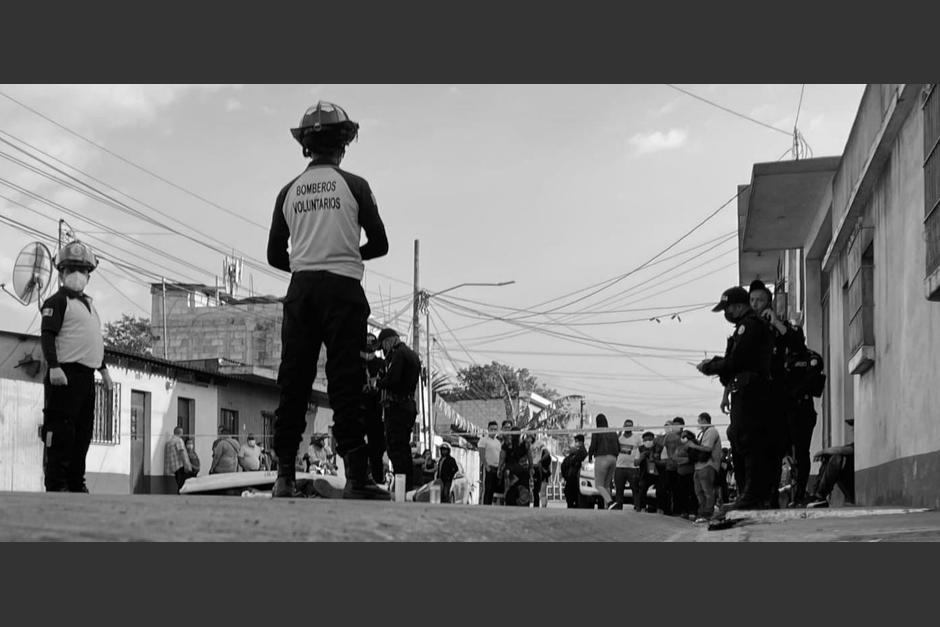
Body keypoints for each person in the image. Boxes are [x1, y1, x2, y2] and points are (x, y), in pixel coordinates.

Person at [266, 100, 390, 500]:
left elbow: (273, 256)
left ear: (306, 146)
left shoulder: (287, 192)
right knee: (346, 385)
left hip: (301, 292)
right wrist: (347, 255)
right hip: (343, 292)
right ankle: (356, 476)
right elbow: (381, 244)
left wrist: (307, 263)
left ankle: (283, 476)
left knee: (294, 382)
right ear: (343, 144)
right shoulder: (355, 186)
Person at [39, 240, 114, 493]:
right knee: (61, 432)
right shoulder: (56, 302)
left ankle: (75, 483)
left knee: (82, 433)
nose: (78, 275)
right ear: (61, 273)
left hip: (86, 377)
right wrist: (53, 366)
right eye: (72, 269)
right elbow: (48, 335)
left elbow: (92, 341)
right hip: (64, 375)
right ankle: (57, 484)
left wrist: (103, 370)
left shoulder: (90, 305)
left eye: (83, 271)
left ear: (89, 276)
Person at [697, 285, 774, 511]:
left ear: (739, 306)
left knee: (747, 440)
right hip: (745, 390)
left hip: (752, 393)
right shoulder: (746, 326)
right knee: (740, 438)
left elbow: (736, 362)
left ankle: (752, 496)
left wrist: (711, 366)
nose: (725, 314)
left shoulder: (749, 326)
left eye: (727, 309)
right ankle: (748, 494)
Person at [749, 279, 801, 508]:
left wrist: (777, 323)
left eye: (760, 300)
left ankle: (778, 496)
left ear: (769, 302)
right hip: (756, 398)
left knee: (779, 448)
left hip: (778, 398)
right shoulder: (749, 327)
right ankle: (757, 495)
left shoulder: (781, 326)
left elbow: (798, 344)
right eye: (752, 300)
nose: (755, 304)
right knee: (756, 449)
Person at [375, 327, 422, 493]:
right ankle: (407, 486)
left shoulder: (398, 354)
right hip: (408, 407)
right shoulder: (412, 355)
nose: (384, 351)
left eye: (384, 346)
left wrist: (378, 383)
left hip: (398, 407)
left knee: (395, 447)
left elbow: (393, 379)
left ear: (390, 340)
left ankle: (402, 487)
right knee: (403, 448)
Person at [783, 329, 826, 506]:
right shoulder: (782, 358)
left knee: (802, 453)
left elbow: (811, 382)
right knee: (780, 450)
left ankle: (800, 493)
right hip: (784, 411)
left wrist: (793, 391)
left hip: (802, 410)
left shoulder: (811, 358)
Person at [685, 412, 723, 523]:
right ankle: (702, 512)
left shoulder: (711, 431)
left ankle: (708, 513)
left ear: (704, 420)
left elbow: (707, 448)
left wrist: (693, 445)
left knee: (707, 491)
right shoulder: (702, 433)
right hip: (699, 466)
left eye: (699, 420)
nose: (698, 423)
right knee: (699, 491)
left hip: (708, 465)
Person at [361, 332, 387, 484]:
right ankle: (357, 478)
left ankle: (378, 479)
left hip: (377, 412)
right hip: (359, 410)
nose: (369, 350)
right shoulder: (355, 363)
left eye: (372, 347)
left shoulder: (381, 364)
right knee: (356, 446)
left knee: (377, 449)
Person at [806, 428, 854, 508]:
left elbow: (845, 450)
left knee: (836, 457)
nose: (853, 431)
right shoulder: (852, 445)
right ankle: (817, 494)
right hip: (848, 483)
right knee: (830, 456)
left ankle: (820, 495)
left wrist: (822, 451)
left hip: (852, 484)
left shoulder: (858, 445)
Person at [587, 413, 618, 509]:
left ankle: (609, 502)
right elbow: (618, 446)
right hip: (613, 459)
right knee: (606, 484)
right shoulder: (613, 431)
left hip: (601, 458)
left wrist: (590, 456)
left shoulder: (597, 431)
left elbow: (593, 445)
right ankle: (607, 506)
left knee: (599, 485)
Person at [656, 418, 683, 515]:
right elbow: (661, 448)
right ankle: (666, 509)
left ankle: (675, 510)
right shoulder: (665, 438)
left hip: (677, 466)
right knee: (667, 489)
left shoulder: (680, 438)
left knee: (676, 490)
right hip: (668, 467)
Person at [613, 419, 641, 511]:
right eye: (627, 425)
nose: (628, 427)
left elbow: (641, 449)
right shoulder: (619, 437)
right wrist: (618, 434)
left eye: (630, 425)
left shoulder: (637, 438)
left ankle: (637, 505)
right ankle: (619, 505)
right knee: (619, 488)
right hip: (620, 466)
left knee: (635, 488)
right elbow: (614, 446)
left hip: (632, 468)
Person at [477, 420, 502, 504]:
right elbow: (481, 455)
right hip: (488, 467)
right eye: (492, 429)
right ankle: (485, 505)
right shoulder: (483, 440)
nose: (493, 431)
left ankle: (492, 505)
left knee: (494, 489)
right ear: (488, 429)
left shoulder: (498, 442)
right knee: (487, 489)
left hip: (497, 468)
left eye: (495, 429)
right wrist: (486, 466)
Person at [635, 431, 659, 513]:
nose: (648, 441)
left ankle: (660, 508)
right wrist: (642, 457)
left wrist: (655, 458)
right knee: (642, 489)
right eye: (645, 440)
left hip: (657, 473)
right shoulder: (640, 448)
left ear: (653, 439)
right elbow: (635, 463)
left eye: (650, 439)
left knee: (660, 490)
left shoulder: (659, 447)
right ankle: (642, 507)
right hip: (645, 473)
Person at [675, 429, 697, 519]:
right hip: (681, 473)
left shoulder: (693, 445)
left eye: (685, 436)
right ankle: (685, 511)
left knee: (693, 493)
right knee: (682, 494)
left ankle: (695, 511)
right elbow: (675, 458)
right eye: (682, 436)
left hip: (691, 473)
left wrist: (683, 460)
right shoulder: (680, 446)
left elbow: (691, 458)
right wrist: (682, 460)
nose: (682, 438)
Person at [561, 434, 587, 509]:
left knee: (572, 498)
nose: (575, 443)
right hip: (572, 478)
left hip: (575, 478)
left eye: (576, 441)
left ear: (581, 442)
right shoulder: (578, 452)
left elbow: (572, 462)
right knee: (570, 496)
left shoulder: (581, 452)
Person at [164, 426, 193, 492]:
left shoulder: (169, 442)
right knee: (182, 484)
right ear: (181, 433)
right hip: (179, 466)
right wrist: (186, 465)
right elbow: (182, 452)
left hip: (172, 467)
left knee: (178, 483)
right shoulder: (179, 440)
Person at [532, 440, 552, 508]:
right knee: (536, 491)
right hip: (535, 470)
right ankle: (537, 506)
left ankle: (543, 506)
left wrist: (540, 461)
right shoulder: (528, 444)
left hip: (541, 472)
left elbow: (547, 454)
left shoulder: (539, 444)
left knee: (542, 492)